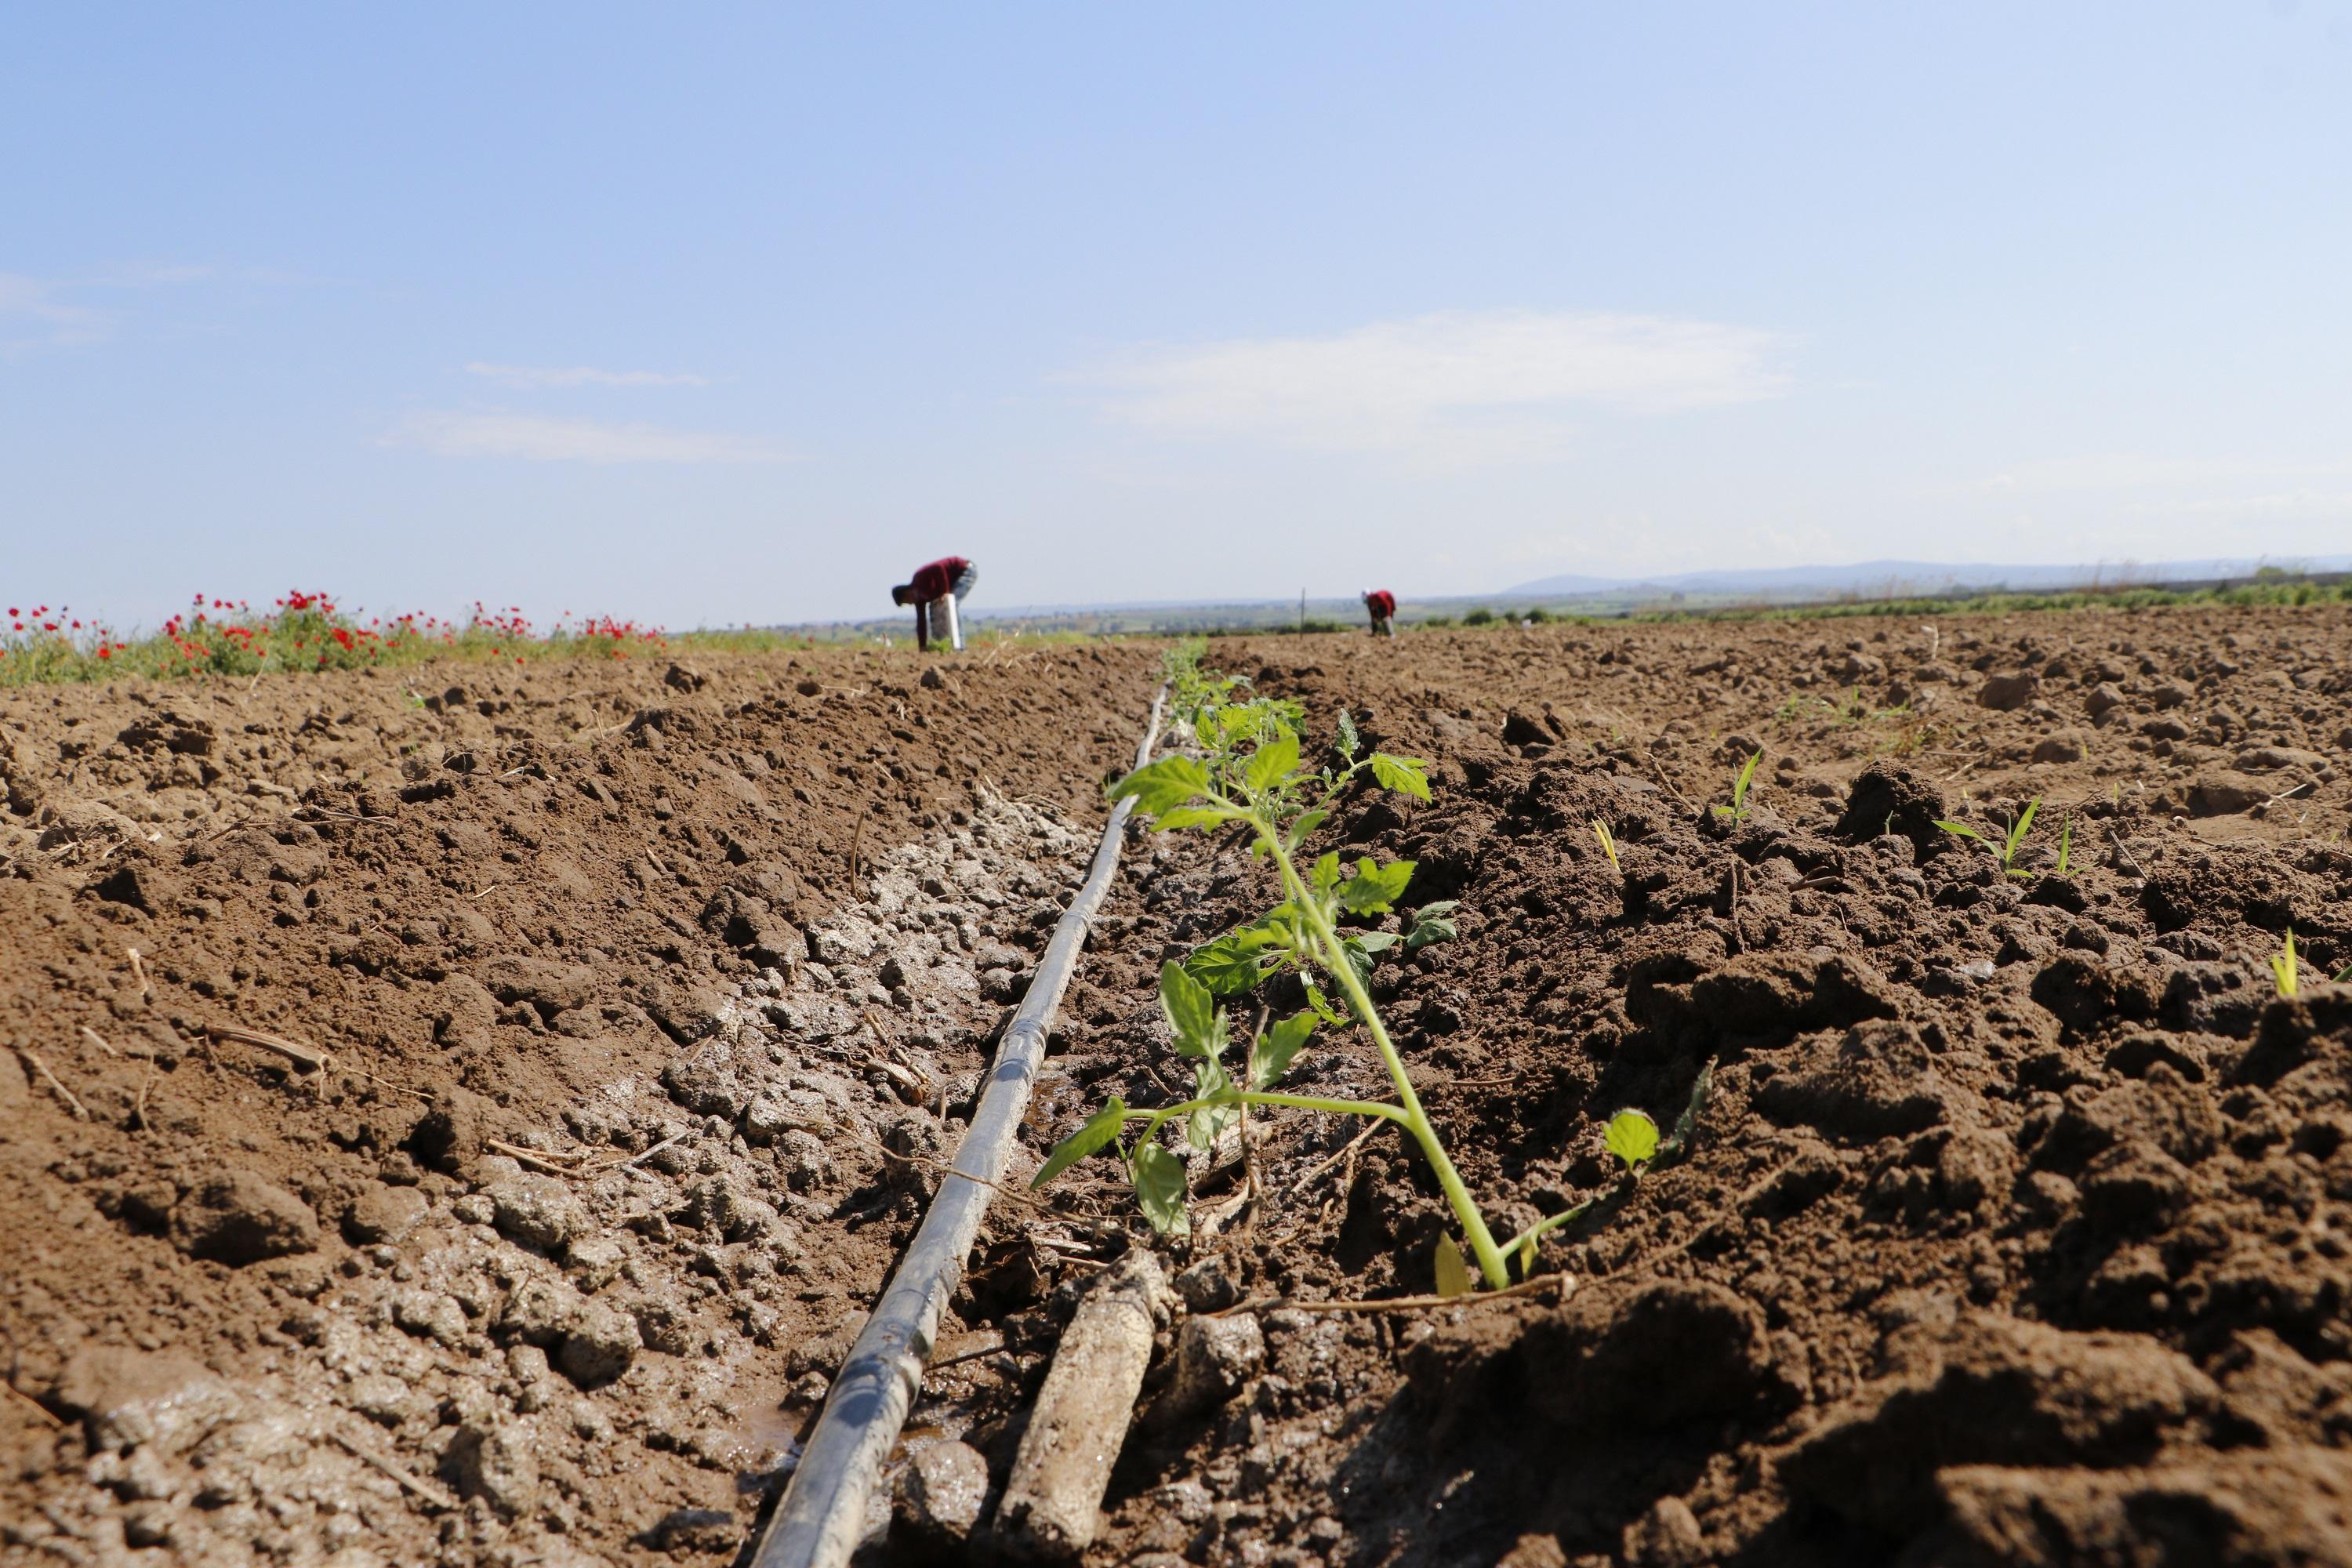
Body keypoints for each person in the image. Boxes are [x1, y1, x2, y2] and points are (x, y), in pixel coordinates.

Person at [891, 556, 978, 652]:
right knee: (936, 608)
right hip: (954, 579)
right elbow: (921, 621)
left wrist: (945, 591)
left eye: (906, 602)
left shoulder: (919, 578)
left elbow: (938, 568)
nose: (910, 604)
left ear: (906, 594)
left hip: (966, 571)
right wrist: (922, 646)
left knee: (952, 605)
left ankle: (960, 647)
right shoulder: (920, 600)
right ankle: (946, 644)